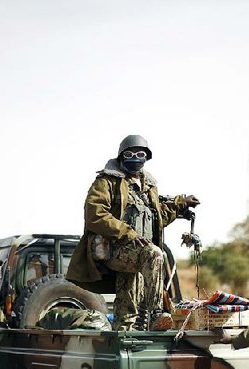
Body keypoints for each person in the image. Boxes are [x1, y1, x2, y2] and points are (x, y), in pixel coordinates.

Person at [66, 134, 199, 331]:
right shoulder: (107, 181)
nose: (134, 157)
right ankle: (156, 312)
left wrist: (179, 204)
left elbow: (156, 218)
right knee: (155, 254)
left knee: (128, 299)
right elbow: (95, 214)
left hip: (138, 251)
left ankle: (123, 337)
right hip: (115, 248)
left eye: (140, 153)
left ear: (146, 157)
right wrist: (128, 234)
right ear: (121, 156)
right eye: (129, 154)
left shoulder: (148, 187)